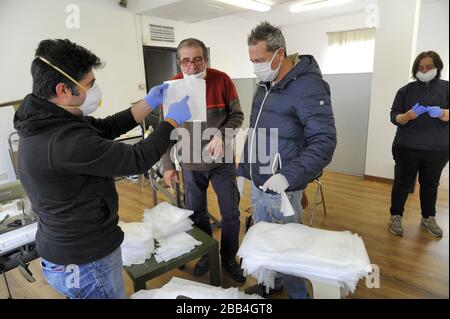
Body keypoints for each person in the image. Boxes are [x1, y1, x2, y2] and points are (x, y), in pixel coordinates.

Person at [13, 39, 191, 299]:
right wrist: (171, 121)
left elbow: (104, 128)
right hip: (85, 260)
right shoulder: (62, 141)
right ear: (63, 89)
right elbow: (137, 158)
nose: (94, 91)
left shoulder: (45, 118)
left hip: (64, 249)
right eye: (89, 85)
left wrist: (147, 103)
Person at [236, 22, 337, 298]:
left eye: (259, 60)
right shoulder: (265, 85)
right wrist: (243, 169)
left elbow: (324, 142)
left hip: (283, 186)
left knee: (290, 247)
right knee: (266, 239)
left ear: (279, 54)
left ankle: (298, 294)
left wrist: (288, 177)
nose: (256, 66)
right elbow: (255, 132)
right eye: (252, 60)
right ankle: (273, 282)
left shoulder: (310, 87)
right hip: (259, 182)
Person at [161, 38, 245, 283]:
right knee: (197, 213)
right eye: (186, 61)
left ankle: (229, 257)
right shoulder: (172, 87)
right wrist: (167, 166)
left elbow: (237, 115)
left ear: (205, 59)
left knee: (230, 212)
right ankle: (206, 253)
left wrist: (222, 133)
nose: (192, 66)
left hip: (222, 161)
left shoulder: (222, 80)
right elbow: (165, 130)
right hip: (190, 163)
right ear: (179, 62)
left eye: (197, 59)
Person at [388, 51, 449, 237]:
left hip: (438, 149)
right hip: (407, 147)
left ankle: (428, 217)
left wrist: (442, 113)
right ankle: (395, 216)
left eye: (429, 67)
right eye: (420, 68)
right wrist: (406, 116)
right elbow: (394, 116)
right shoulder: (406, 90)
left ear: (437, 67)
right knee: (401, 183)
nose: (424, 70)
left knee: (430, 184)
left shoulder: (447, 88)